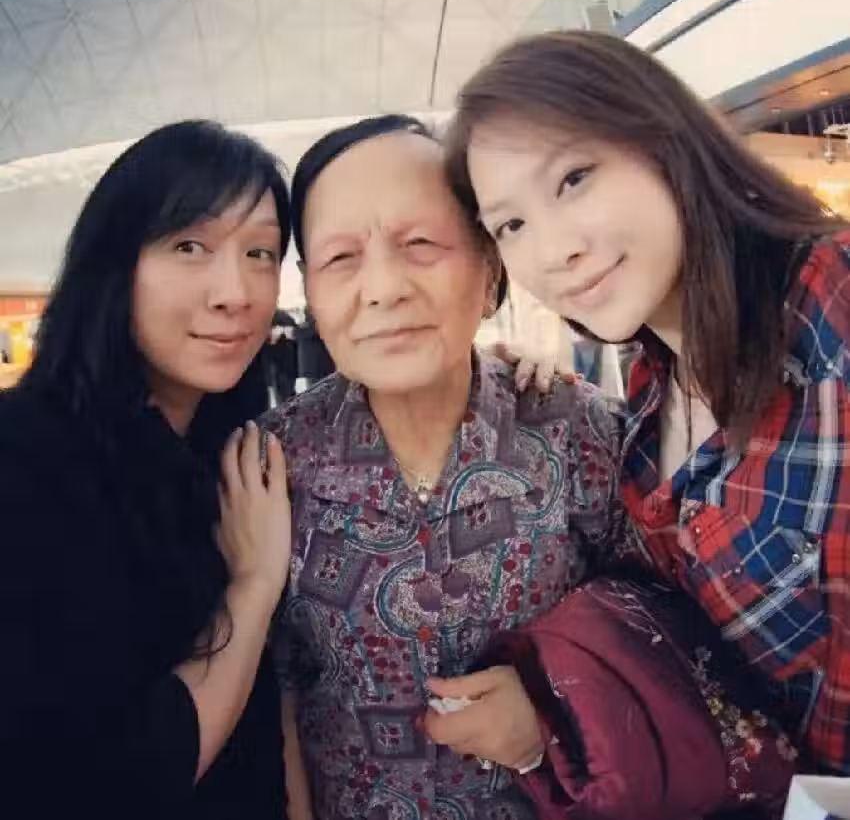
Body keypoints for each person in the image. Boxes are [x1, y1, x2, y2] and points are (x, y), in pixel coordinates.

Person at [259, 114, 795, 820]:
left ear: (490, 270)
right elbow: (274, 687)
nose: (383, 287)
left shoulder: (582, 432)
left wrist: (551, 715)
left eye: (421, 244)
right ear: (309, 290)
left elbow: (679, 640)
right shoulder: (269, 466)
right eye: (340, 258)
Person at [444, 29, 850, 775]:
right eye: (511, 225)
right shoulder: (646, 395)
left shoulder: (833, 307)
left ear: (664, 140)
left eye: (573, 178)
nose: (554, 250)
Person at [0, 120, 293, 819]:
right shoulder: (25, 464)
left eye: (260, 252)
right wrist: (251, 590)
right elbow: (106, 784)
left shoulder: (237, 454)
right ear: (114, 264)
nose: (236, 293)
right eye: (190, 246)